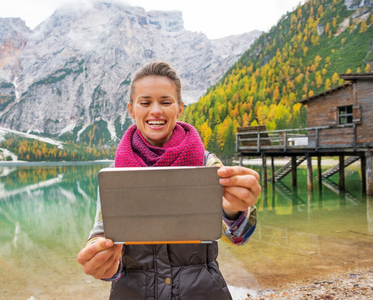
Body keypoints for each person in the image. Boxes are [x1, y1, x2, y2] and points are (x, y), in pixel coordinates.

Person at [77, 61, 261, 299]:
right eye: (145, 102)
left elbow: (239, 236)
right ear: (131, 109)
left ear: (179, 108)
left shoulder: (207, 163)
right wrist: (101, 258)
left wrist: (235, 210)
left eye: (166, 102)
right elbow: (103, 235)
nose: (156, 110)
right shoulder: (115, 174)